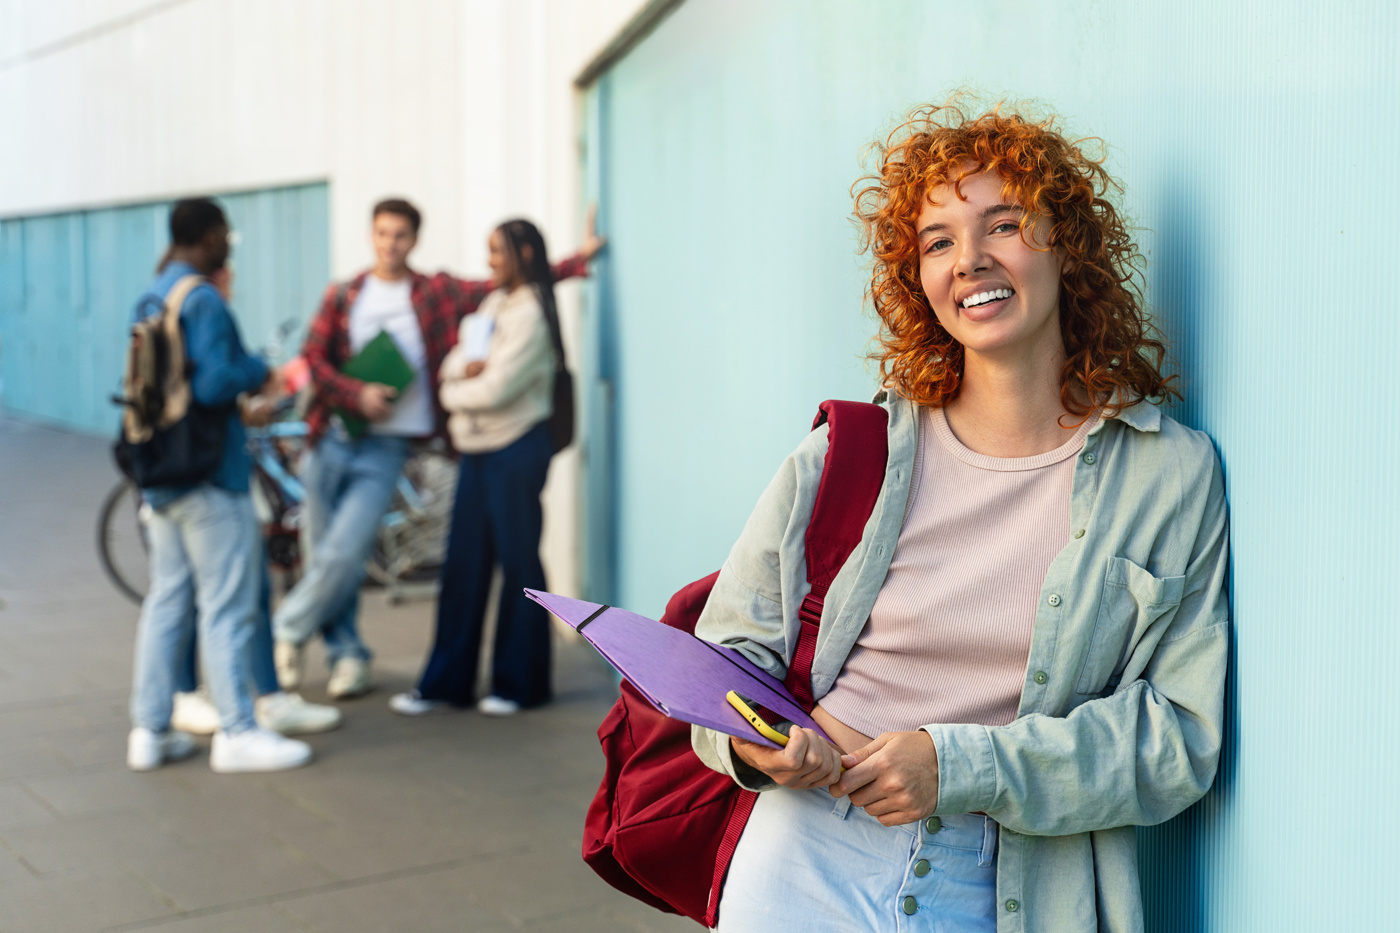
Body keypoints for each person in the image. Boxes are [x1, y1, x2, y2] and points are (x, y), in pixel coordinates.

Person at [690, 103, 1229, 931]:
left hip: (1013, 883)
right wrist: (754, 741)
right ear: (919, 279)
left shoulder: (1168, 473)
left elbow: (1177, 739)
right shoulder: (850, 452)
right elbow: (727, 658)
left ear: (1068, 246)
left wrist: (960, 765)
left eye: (1004, 223)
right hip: (805, 857)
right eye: (938, 240)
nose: (970, 259)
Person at [273, 200, 603, 700]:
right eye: (382, 233)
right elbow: (318, 358)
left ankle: (291, 630)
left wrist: (577, 261)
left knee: (349, 554)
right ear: (371, 236)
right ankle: (370, 663)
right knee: (345, 557)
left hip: (415, 447)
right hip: (338, 435)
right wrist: (358, 393)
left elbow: (494, 362)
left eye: (400, 234)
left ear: (414, 239)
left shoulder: (441, 292)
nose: (390, 243)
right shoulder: (345, 294)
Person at [127, 198, 314, 773]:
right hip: (209, 477)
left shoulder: (155, 294)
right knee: (227, 604)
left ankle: (149, 732)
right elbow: (211, 386)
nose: (229, 243)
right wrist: (259, 369)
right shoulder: (204, 300)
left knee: (167, 601)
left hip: (160, 477)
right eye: (226, 235)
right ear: (210, 238)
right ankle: (237, 731)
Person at [388, 219, 568, 718]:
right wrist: (459, 379)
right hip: (478, 451)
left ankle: (520, 685)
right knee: (464, 564)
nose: (489, 260)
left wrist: (454, 391)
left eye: (498, 251)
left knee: (518, 566)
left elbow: (494, 390)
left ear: (525, 253)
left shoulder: (532, 313)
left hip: (516, 449)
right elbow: (452, 364)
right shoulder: (493, 304)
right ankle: (445, 684)